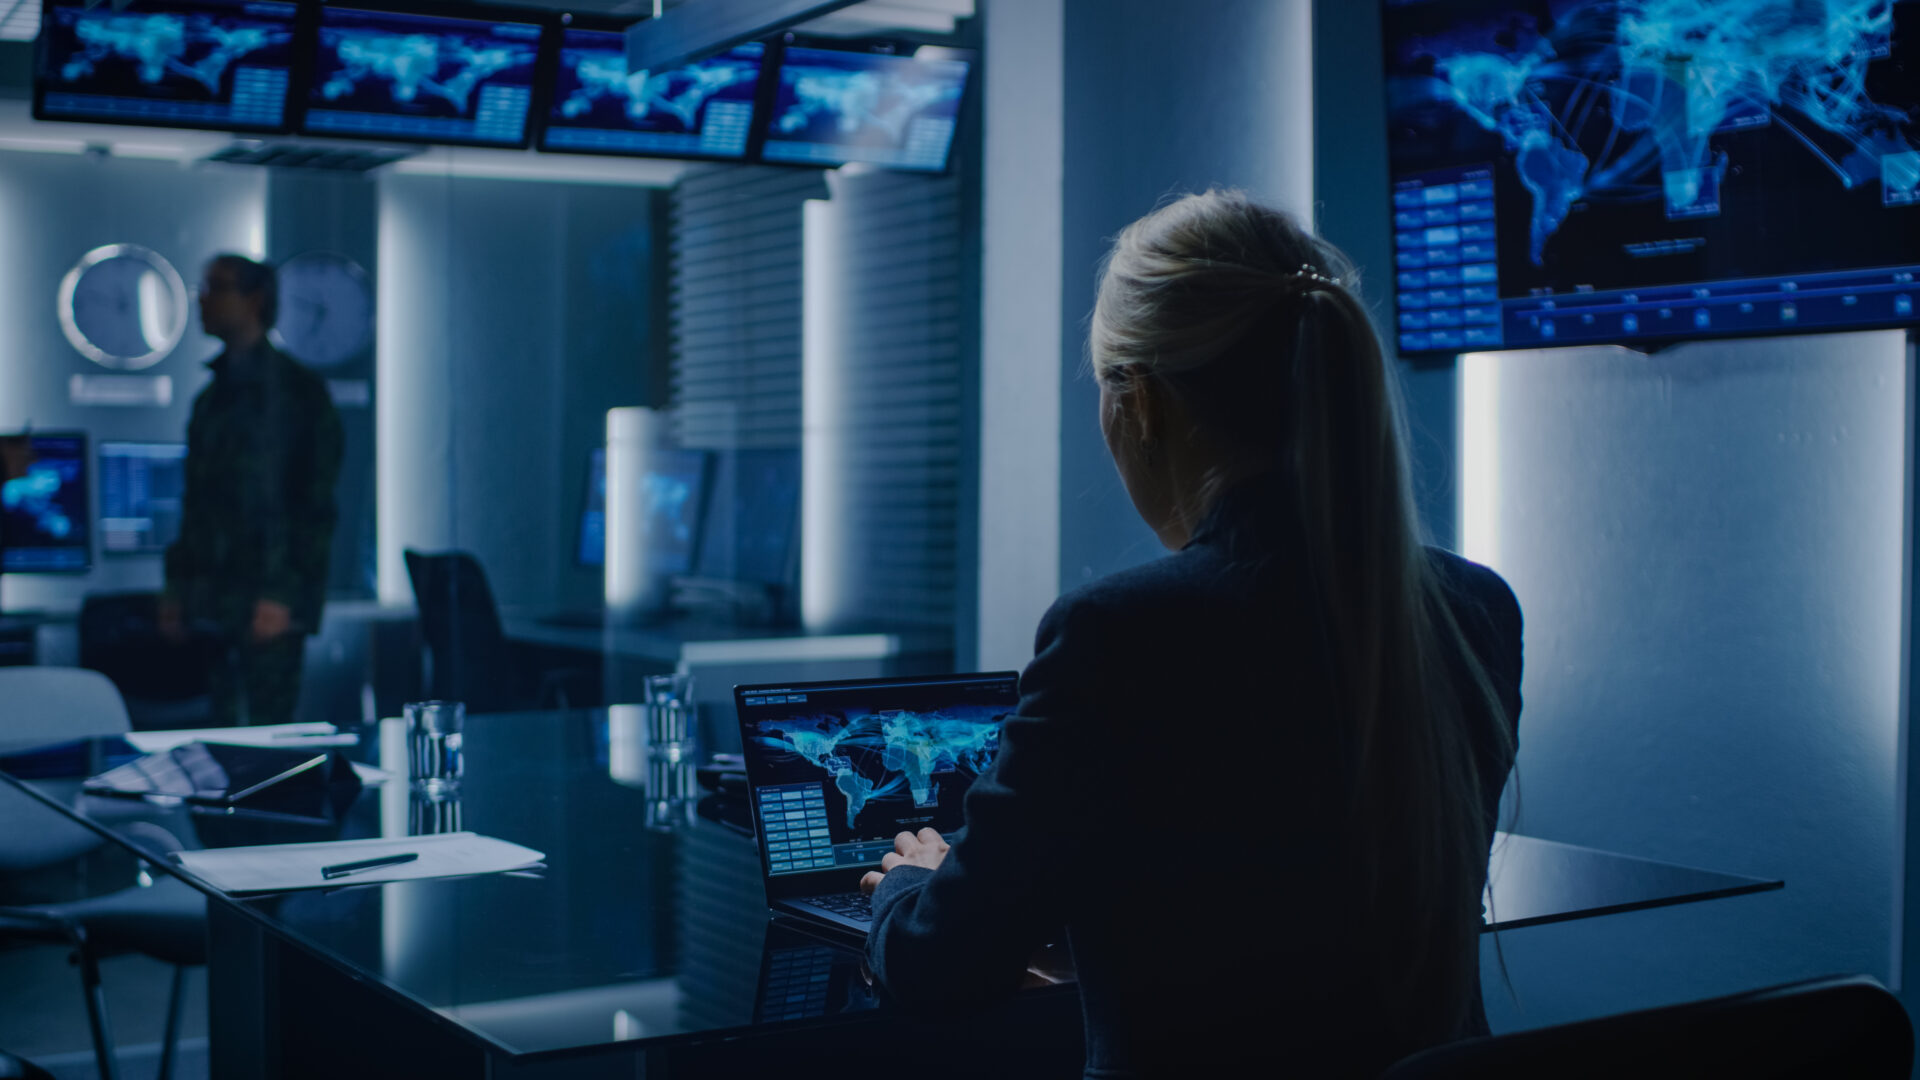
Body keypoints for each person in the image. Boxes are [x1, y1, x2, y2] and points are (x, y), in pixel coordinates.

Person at [859, 191, 1524, 1076]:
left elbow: (937, 968)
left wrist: (913, 884)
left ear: (1141, 405)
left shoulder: (1119, 635)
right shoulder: (1476, 609)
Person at [160, 255, 343, 726]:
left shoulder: (298, 393)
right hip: (212, 601)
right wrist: (177, 590)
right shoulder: (212, 398)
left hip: (269, 599)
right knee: (218, 739)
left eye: (216, 287)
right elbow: (195, 504)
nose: (203, 299)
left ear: (255, 298)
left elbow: (313, 505)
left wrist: (285, 596)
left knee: (271, 741)